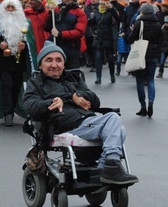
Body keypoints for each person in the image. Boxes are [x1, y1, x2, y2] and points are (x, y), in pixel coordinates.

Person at [22, 42, 138, 185]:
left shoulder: (74, 79)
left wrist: (75, 95)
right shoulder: (36, 84)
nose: (54, 64)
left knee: (119, 129)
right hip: (63, 125)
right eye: (49, 60)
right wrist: (52, 103)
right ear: (40, 65)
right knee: (113, 119)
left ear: (64, 63)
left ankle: (102, 170)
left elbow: (95, 101)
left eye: (58, 60)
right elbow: (30, 107)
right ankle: (111, 166)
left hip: (86, 123)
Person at [0, 0, 37, 126]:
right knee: (6, 85)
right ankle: (8, 113)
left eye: (12, 7)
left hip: (19, 61)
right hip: (3, 61)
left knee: (16, 86)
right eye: (7, 7)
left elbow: (31, 41)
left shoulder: (26, 23)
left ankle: (13, 107)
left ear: (17, 9)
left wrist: (25, 45)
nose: (9, 9)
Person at [126, 3, 161, 117]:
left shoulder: (139, 23)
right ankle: (151, 102)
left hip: (141, 54)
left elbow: (130, 39)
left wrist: (131, 31)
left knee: (140, 81)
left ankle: (143, 106)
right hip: (153, 54)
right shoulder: (157, 24)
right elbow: (161, 40)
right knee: (151, 80)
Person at [48, 0, 87, 70]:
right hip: (56, 49)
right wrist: (49, 13)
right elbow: (46, 27)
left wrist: (60, 34)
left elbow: (79, 32)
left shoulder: (80, 13)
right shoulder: (57, 9)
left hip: (71, 52)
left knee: (71, 77)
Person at [88, 0, 120, 84]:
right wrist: (90, 20)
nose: (102, 5)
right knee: (98, 58)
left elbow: (118, 19)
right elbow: (92, 23)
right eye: (101, 4)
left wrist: (112, 9)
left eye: (104, 4)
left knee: (110, 59)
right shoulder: (96, 12)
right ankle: (98, 77)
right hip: (99, 38)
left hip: (109, 38)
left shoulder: (111, 12)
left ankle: (112, 74)